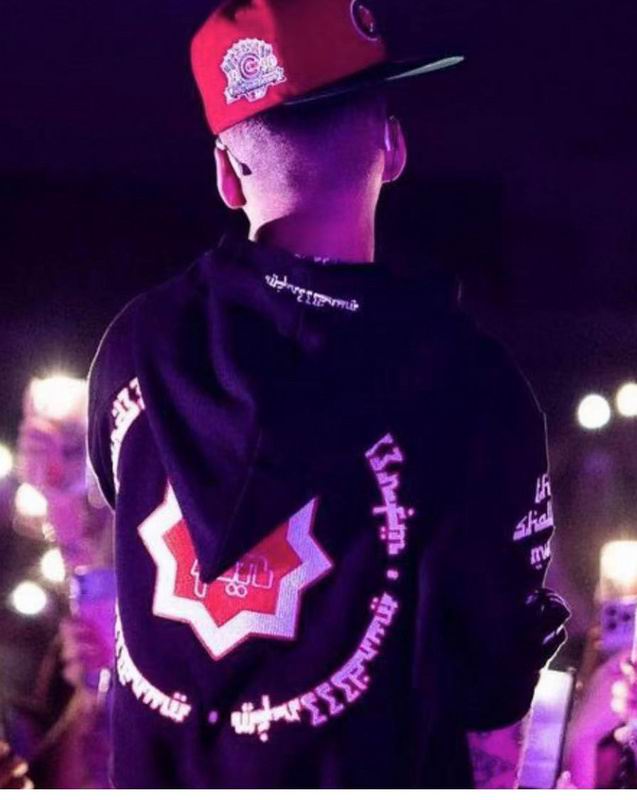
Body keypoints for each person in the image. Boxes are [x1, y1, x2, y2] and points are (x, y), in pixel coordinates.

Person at [87, 0, 569, 788]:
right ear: (393, 146)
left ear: (225, 174)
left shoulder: (135, 342)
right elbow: (491, 687)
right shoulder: (472, 388)